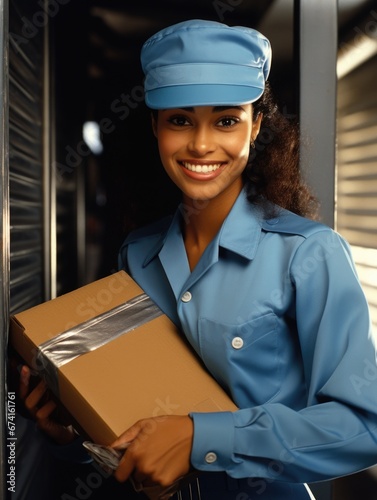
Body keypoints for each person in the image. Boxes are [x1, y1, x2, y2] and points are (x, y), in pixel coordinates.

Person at [19, 19, 377, 500]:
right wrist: (70, 435)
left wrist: (202, 438)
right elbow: (129, 424)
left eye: (226, 120)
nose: (202, 144)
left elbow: (364, 425)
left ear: (257, 127)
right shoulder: (139, 252)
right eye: (180, 120)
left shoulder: (309, 254)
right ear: (155, 127)